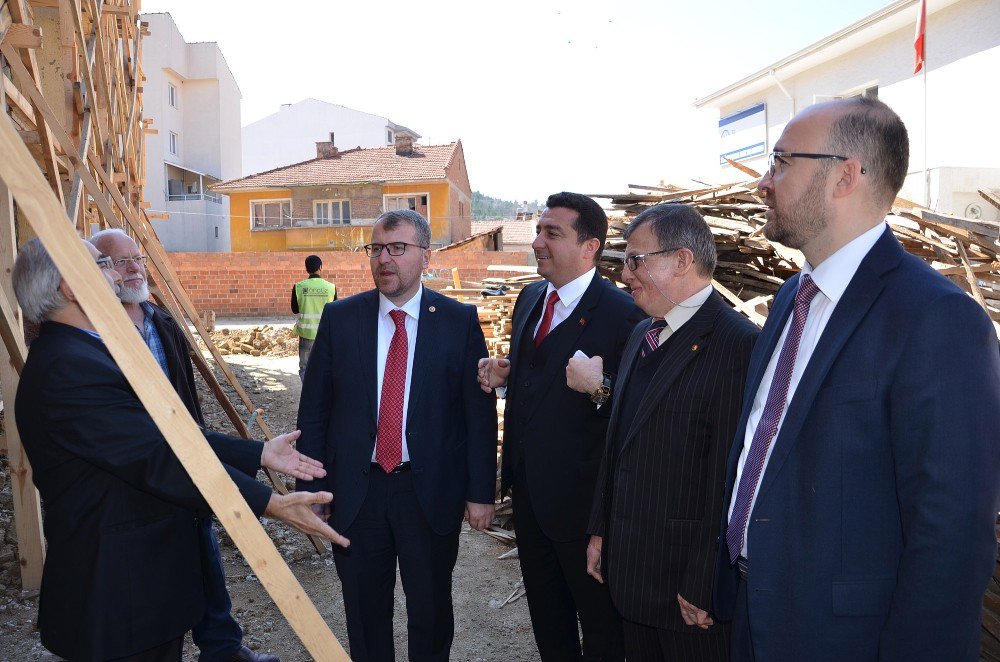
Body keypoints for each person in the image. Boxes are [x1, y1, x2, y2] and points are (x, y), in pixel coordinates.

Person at [713, 96, 1000, 661]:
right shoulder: (794, 298)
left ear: (845, 175)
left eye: (781, 161)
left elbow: (951, 535)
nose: (764, 182)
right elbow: (764, 447)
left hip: (848, 640)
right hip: (756, 615)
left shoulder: (936, 318)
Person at [12, 237, 348, 662]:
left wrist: (257, 454)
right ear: (71, 287)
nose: (117, 273)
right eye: (103, 264)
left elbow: (171, 435)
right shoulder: (70, 365)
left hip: (137, 586)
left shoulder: (88, 352)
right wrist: (268, 503)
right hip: (115, 594)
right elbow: (160, 459)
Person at [296, 209, 496, 661]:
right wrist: (311, 489)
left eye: (398, 249)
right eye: (377, 249)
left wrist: (481, 491)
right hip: (356, 492)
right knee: (365, 615)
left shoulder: (457, 320)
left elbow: (476, 413)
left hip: (427, 491)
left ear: (425, 256)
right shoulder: (340, 318)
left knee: (429, 611)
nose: (384, 259)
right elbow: (314, 413)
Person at [567, 203, 757, 661]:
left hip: (687, 594)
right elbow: (618, 444)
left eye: (636, 259)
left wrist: (705, 579)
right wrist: (599, 532)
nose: (626, 273)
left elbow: (728, 478)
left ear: (682, 260)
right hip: (632, 574)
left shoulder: (736, 343)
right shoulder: (643, 334)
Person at [90, 228, 274, 662]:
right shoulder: (94, 333)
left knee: (203, 548)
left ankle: (223, 647)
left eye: (138, 258)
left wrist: (208, 449)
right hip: (136, 470)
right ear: (98, 272)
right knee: (155, 580)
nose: (135, 267)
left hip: (183, 457)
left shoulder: (160, 320)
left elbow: (186, 401)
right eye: (121, 261)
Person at [478, 192, 642, 661]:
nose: (537, 242)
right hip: (529, 501)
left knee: (601, 631)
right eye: (537, 231)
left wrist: (599, 388)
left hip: (587, 511)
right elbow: (541, 376)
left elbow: (634, 416)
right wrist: (510, 374)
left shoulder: (623, 313)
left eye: (553, 233)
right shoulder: (531, 298)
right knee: (549, 626)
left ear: (590, 246)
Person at [291, 254, 337, 381]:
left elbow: (295, 310)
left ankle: (308, 396)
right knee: (324, 367)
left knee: (305, 368)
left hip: (306, 335)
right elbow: (334, 312)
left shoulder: (298, 287)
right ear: (320, 267)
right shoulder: (331, 287)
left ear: (307, 269)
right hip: (325, 335)